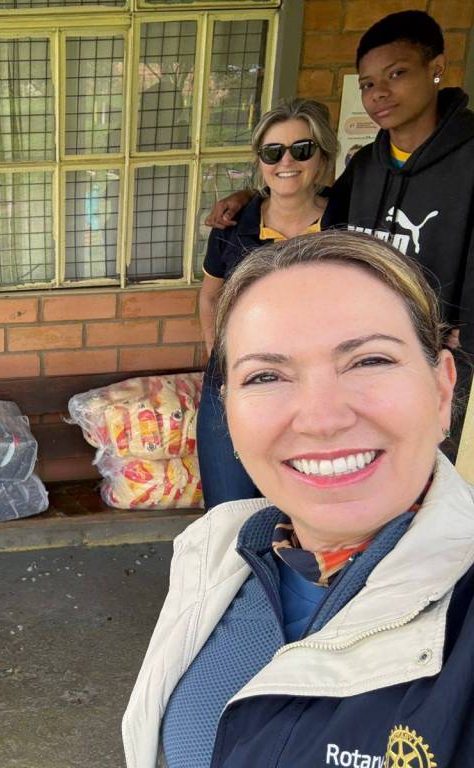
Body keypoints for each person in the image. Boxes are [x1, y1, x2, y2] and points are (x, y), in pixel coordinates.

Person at [122, 230, 474, 767]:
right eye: (266, 375)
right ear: (228, 412)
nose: (321, 419)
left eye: (370, 361)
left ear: (443, 387)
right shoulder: (215, 552)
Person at [206, 10, 474, 451]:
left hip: (444, 373)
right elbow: (299, 192)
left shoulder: (469, 161)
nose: (379, 93)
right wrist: (247, 196)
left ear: (437, 68)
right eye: (367, 84)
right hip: (364, 368)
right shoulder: (368, 167)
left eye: (397, 74)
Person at [198, 99, 338, 511]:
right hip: (240, 384)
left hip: (322, 391)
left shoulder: (349, 220)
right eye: (272, 152)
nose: (286, 162)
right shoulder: (233, 225)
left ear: (323, 155)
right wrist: (220, 359)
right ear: (260, 160)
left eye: (302, 149)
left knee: (310, 511)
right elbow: (210, 295)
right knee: (229, 512)